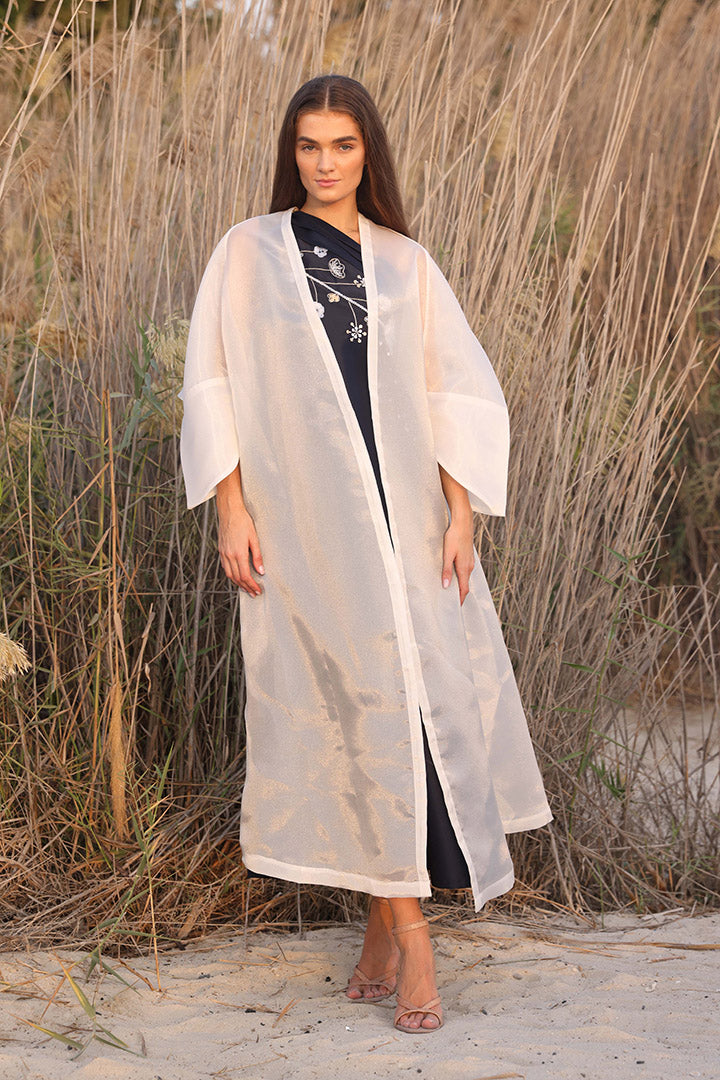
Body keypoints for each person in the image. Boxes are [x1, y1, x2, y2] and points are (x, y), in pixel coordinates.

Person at [179, 74, 552, 1034]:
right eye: (309, 145)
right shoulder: (248, 253)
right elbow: (212, 381)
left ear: (367, 153)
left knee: (414, 710)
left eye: (343, 145)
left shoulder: (402, 265)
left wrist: (461, 514)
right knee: (349, 711)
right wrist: (230, 508)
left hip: (409, 525)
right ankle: (409, 935)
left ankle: (393, 932)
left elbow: (456, 390)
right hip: (305, 529)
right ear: (291, 153)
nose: (326, 163)